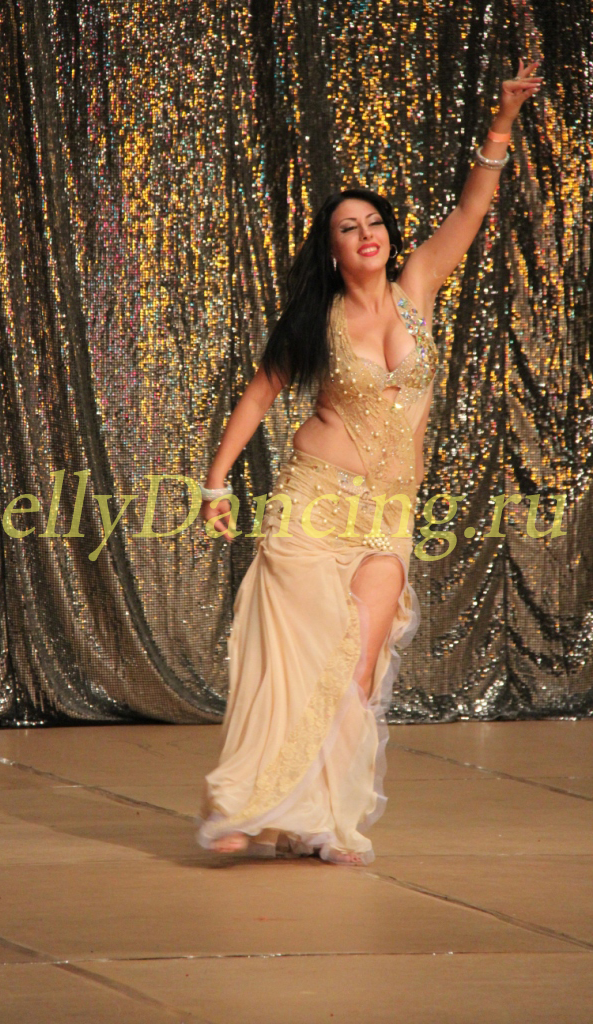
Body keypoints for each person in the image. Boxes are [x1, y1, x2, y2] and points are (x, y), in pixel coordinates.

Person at [197, 60, 542, 865]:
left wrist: (500, 123)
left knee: (355, 669)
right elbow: (256, 397)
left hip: (388, 508)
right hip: (313, 500)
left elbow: (472, 207)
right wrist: (216, 484)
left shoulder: (418, 285)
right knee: (293, 657)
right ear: (332, 249)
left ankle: (320, 819)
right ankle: (244, 804)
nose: (366, 234)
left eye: (374, 222)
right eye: (349, 227)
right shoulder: (313, 320)